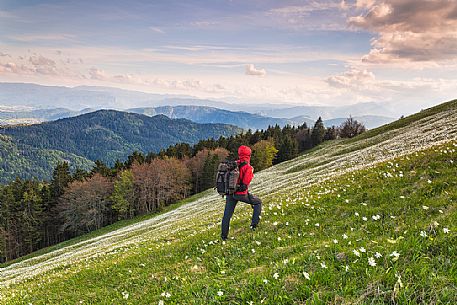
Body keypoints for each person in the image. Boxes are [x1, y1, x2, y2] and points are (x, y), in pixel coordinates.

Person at [221, 145, 262, 240]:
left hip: (230, 193)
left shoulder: (234, 164)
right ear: (249, 155)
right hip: (241, 194)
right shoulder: (248, 167)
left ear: (239, 154)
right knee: (257, 202)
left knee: (227, 215)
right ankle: (254, 226)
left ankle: (224, 237)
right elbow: (245, 184)